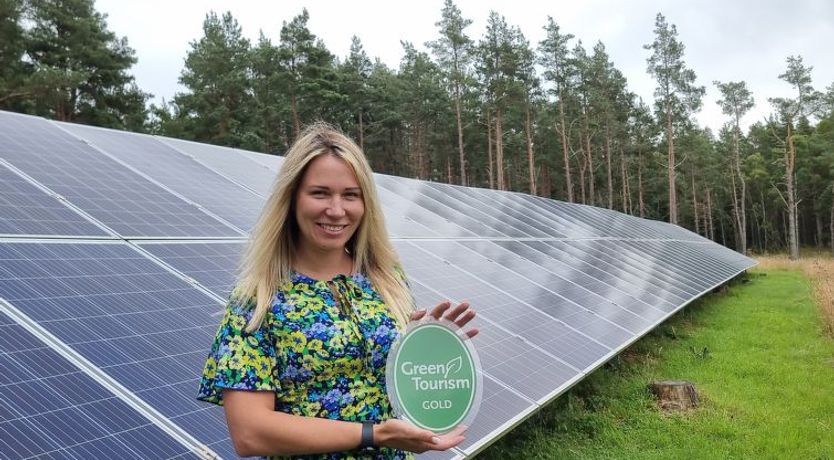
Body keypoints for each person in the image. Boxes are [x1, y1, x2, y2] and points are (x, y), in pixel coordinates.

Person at [197, 123, 478, 459]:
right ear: (292, 198)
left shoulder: (385, 278)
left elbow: (395, 387)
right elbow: (250, 434)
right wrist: (374, 434)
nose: (336, 210)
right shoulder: (257, 299)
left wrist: (427, 346)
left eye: (350, 195)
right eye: (319, 193)